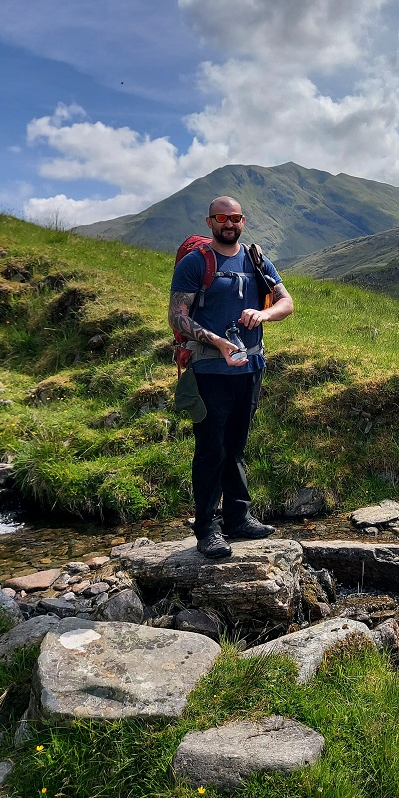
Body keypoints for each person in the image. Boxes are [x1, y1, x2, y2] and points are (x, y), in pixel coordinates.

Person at [168, 196, 294, 558]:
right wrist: (218, 342)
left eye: (235, 217)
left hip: (251, 369)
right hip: (209, 369)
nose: (229, 223)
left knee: (236, 446)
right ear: (209, 222)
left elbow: (286, 302)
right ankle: (207, 528)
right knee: (211, 449)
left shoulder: (256, 259)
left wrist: (264, 315)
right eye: (222, 217)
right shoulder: (196, 262)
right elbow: (177, 317)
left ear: (243, 220)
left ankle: (238, 518)